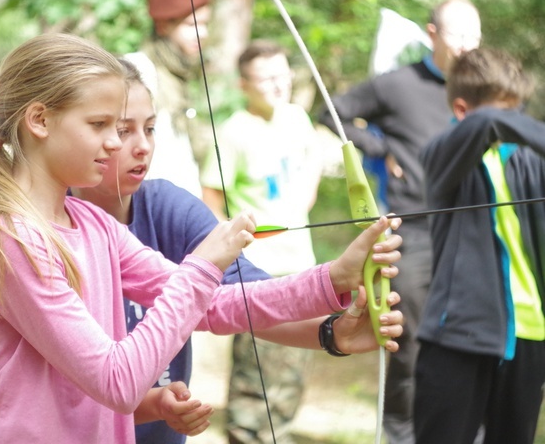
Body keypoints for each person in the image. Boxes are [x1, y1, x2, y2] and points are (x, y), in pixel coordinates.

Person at [0, 32, 404, 444]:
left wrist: (334, 279)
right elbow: (118, 379)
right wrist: (203, 264)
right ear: (40, 121)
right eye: (100, 125)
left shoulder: (90, 222)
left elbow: (212, 304)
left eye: (129, 128)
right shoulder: (12, 238)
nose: (116, 143)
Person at [71, 58, 405, 443]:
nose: (142, 146)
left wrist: (332, 331)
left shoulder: (167, 206)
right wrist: (333, 280)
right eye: (121, 130)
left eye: (149, 128)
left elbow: (236, 297)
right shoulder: (51, 226)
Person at [318, 0, 481, 444]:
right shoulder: (396, 85)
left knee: (471, 338)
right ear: (432, 34)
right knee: (407, 338)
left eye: (474, 35)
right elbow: (330, 112)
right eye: (457, 35)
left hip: (475, 231)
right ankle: (400, 432)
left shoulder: (481, 90)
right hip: (412, 231)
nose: (467, 46)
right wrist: (379, 148)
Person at [415, 47, 545, 444]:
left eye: (518, 111)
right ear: (460, 109)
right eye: (507, 115)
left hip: (529, 335)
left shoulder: (528, 161)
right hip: (459, 335)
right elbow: (484, 122)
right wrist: (497, 118)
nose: (514, 123)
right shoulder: (443, 156)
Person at [199, 40, 323, 444]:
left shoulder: (297, 118)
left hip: (299, 262)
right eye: (266, 78)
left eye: (282, 74)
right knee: (256, 372)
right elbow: (211, 202)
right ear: (243, 84)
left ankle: (279, 435)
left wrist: (306, 193)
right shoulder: (233, 133)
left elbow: (311, 165)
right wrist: (233, 255)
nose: (277, 85)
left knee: (292, 369)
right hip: (257, 274)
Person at [124, 0, 213, 197]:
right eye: (192, 25)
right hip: (149, 210)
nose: (203, 34)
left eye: (205, 24)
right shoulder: (139, 70)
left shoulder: (181, 74)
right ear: (163, 26)